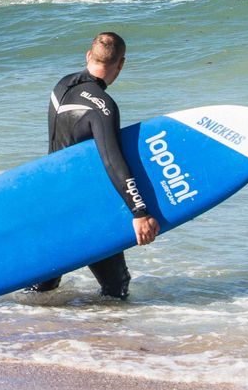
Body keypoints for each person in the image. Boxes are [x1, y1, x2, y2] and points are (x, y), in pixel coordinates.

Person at [32, 31, 157, 299]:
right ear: (121, 64)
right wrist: (139, 211)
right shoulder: (103, 107)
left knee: (42, 287)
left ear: (89, 55)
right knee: (116, 286)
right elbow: (112, 159)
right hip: (83, 206)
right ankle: (104, 337)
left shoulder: (62, 84)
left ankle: (23, 329)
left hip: (51, 198)